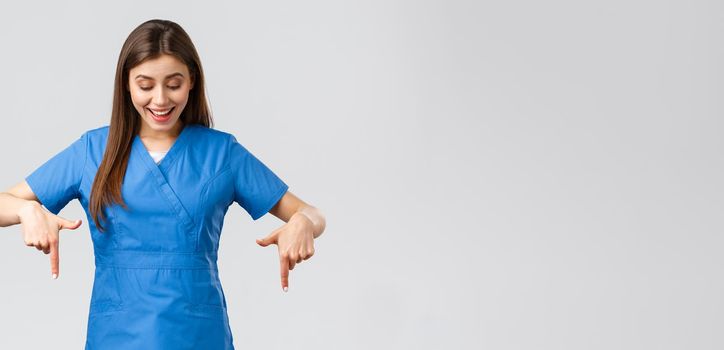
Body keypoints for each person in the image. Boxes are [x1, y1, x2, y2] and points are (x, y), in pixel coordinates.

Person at [0, 19, 326, 349]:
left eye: (173, 84)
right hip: (117, 335)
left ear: (191, 83)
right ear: (126, 84)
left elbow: (312, 214)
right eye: (145, 85)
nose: (159, 99)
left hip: (199, 334)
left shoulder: (221, 153)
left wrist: (302, 222)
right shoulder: (93, 151)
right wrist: (27, 210)